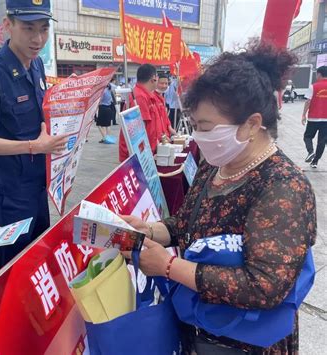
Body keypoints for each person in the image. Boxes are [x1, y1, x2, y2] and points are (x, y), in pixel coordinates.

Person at [123, 41, 316, 354]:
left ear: (252, 124)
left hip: (246, 343)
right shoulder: (215, 164)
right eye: (195, 126)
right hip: (198, 329)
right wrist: (151, 231)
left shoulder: (283, 187)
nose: (199, 136)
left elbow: (265, 286)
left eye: (206, 127)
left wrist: (170, 267)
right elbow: (188, 223)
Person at [0, 0, 68, 291]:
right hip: (12, 192)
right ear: (7, 25)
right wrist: (34, 147)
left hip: (38, 186)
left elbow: (40, 120)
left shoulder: (36, 65)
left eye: (43, 29)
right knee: (14, 265)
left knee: (38, 254)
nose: (38, 39)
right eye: (28, 29)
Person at [118, 64, 170, 162]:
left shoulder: (148, 95)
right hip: (140, 154)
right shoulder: (140, 97)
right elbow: (141, 130)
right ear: (153, 79)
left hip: (148, 151)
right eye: (157, 78)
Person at [302, 65, 327, 169]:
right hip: (326, 120)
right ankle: (315, 162)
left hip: (313, 118)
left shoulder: (314, 86)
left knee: (307, 136)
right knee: (322, 141)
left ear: (319, 74)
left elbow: (308, 101)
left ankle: (311, 152)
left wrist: (303, 114)